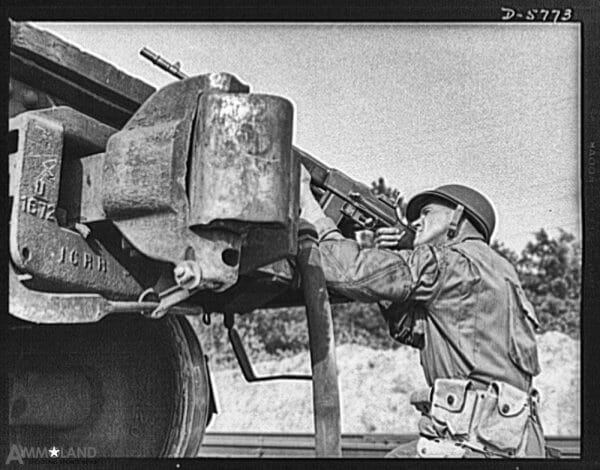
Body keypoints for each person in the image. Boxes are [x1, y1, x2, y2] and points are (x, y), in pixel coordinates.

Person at [298, 166, 546, 458]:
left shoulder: (449, 262)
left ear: (455, 216)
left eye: (427, 212)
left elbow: (348, 272)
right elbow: (412, 330)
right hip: (515, 440)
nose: (417, 221)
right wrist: (400, 259)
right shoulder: (502, 272)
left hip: (476, 442)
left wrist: (315, 216)